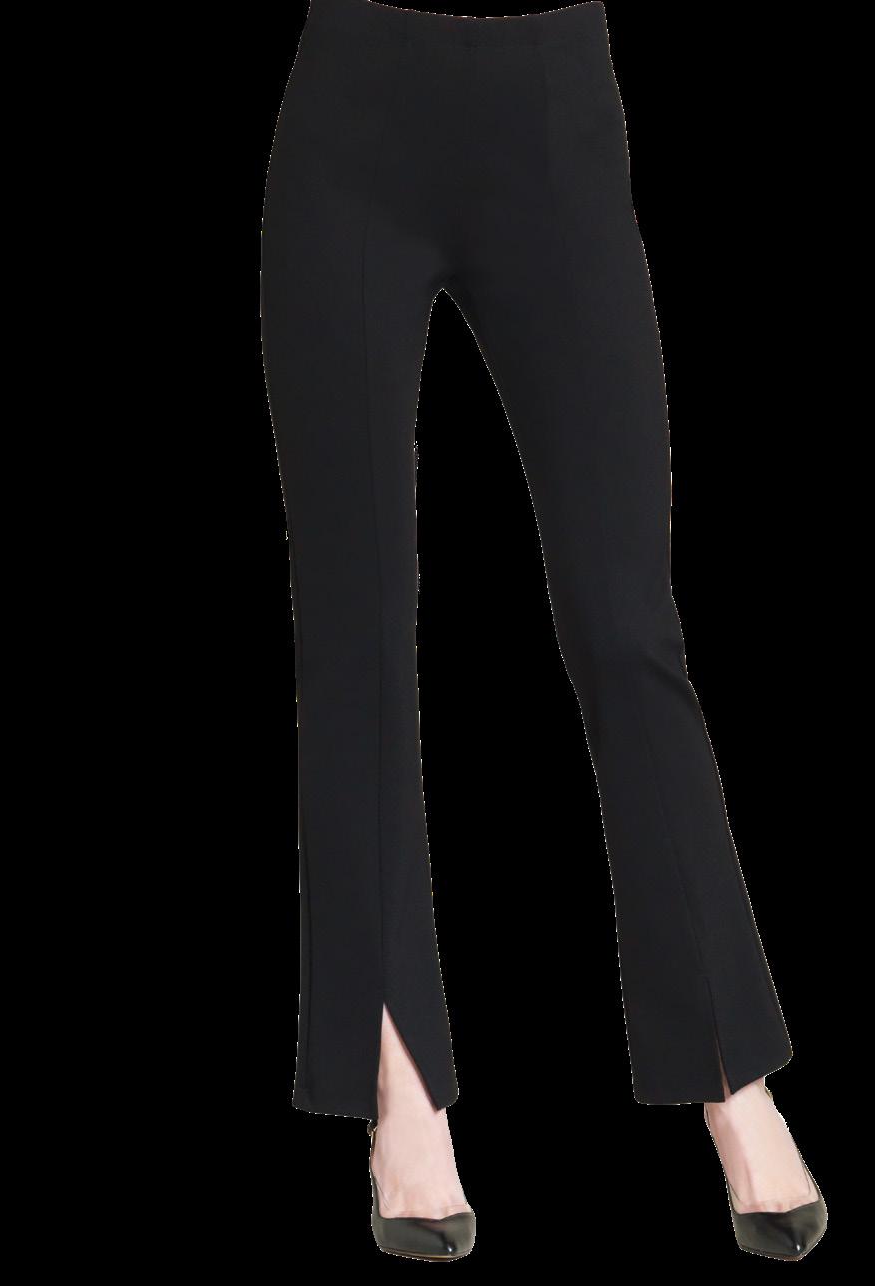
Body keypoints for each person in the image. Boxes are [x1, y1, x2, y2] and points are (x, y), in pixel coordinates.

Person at [260, 0, 827, 1261]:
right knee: (358, 629)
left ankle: (731, 1071)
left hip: (553, 103)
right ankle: (402, 1084)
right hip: (353, 106)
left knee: (628, 617)